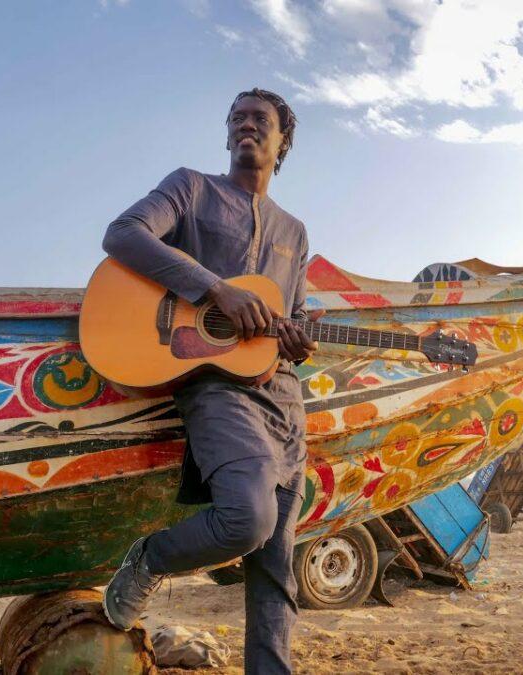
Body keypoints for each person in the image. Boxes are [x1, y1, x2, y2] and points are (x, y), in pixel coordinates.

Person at [98, 88, 318, 674]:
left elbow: (289, 320)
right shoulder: (192, 188)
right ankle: (150, 559)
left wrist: (298, 340)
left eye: (261, 121)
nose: (247, 126)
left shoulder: (294, 232)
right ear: (227, 135)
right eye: (237, 118)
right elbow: (123, 234)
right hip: (217, 387)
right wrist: (213, 288)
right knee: (247, 519)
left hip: (285, 401)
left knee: (276, 572)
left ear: (282, 143)